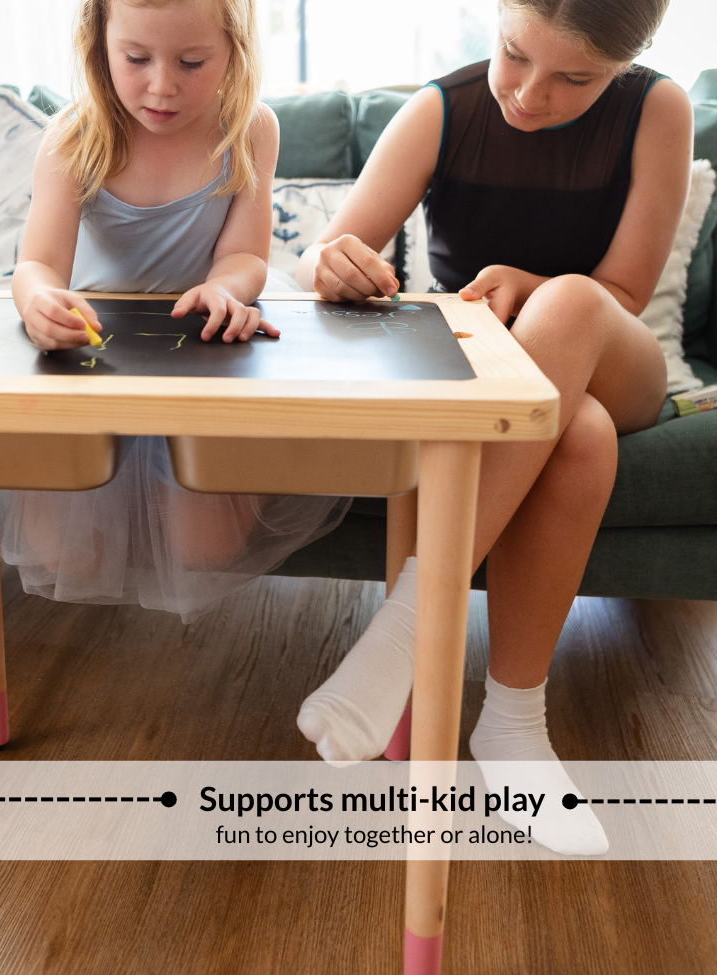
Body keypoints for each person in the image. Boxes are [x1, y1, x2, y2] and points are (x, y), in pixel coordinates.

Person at [293, 0, 690, 855]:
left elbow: (620, 293)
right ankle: (513, 729)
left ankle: (408, 626)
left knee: (574, 299)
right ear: (497, 18)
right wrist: (330, 263)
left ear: (626, 64)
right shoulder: (441, 109)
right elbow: (319, 259)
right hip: (484, 374)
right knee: (573, 436)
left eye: (574, 78)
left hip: (616, 355)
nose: (528, 93)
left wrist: (535, 285)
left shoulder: (658, 110)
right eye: (515, 54)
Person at [0, 0, 349, 621]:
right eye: (136, 59)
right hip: (98, 353)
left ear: (234, 49)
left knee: (205, 544)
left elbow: (245, 255)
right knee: (60, 550)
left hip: (202, 348)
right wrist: (39, 301)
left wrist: (227, 288)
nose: (162, 86)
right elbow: (37, 265)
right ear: (98, 45)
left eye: (191, 62)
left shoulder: (249, 128)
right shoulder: (74, 136)